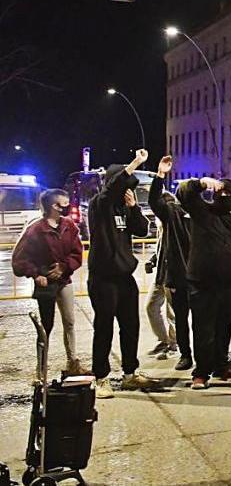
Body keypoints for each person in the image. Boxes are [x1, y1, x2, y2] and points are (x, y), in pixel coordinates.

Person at [177, 175, 231, 390]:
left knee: (224, 328)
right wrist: (201, 183)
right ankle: (201, 372)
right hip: (202, 283)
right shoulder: (202, 212)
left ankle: (221, 367)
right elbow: (185, 194)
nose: (223, 197)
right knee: (203, 329)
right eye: (220, 193)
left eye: (227, 194)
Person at [87, 151, 157, 398]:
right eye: (125, 185)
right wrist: (136, 163)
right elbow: (111, 190)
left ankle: (130, 373)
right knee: (103, 327)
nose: (128, 189)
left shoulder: (124, 207)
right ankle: (101, 378)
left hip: (125, 277)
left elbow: (141, 229)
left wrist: (134, 206)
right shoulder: (100, 204)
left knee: (131, 326)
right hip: (103, 278)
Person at [12, 188, 86, 375]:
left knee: (69, 322)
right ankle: (41, 369)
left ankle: (73, 363)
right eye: (64, 202)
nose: (68, 205)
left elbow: (77, 254)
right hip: (45, 286)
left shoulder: (69, 226)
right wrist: (37, 275)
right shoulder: (35, 229)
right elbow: (19, 261)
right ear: (54, 206)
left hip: (64, 281)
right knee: (46, 327)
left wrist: (64, 266)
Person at [149, 156, 194, 372]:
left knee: (203, 321)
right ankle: (185, 354)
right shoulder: (174, 214)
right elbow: (154, 202)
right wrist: (160, 176)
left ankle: (208, 357)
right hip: (178, 276)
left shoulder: (205, 214)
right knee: (181, 319)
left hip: (201, 276)